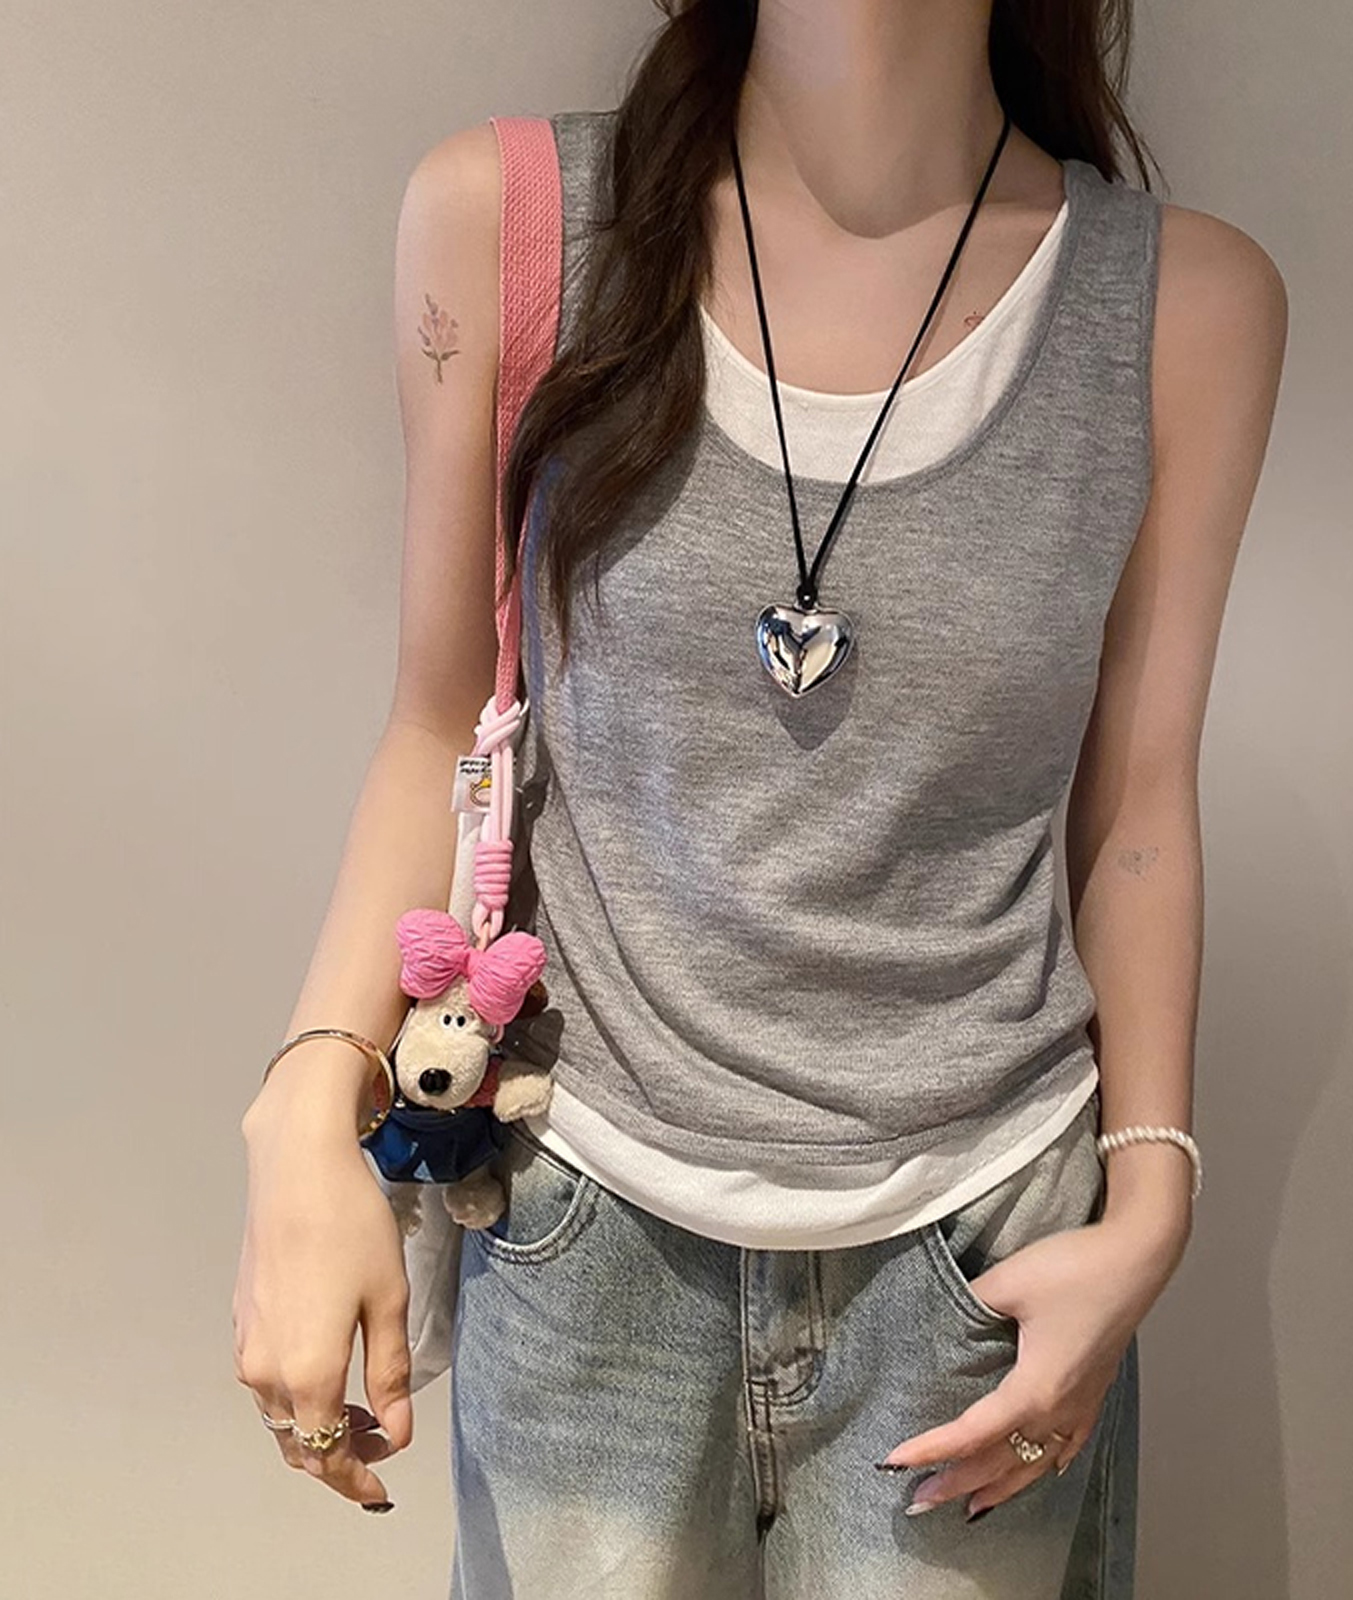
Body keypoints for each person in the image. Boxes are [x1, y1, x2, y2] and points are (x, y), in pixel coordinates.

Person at [233, 1, 1288, 1594]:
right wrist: (305, 1108)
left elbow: (1136, 806)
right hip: (581, 1231)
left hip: (985, 1258)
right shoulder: (509, 226)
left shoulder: (1182, 305)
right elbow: (443, 718)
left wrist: (1153, 1203)